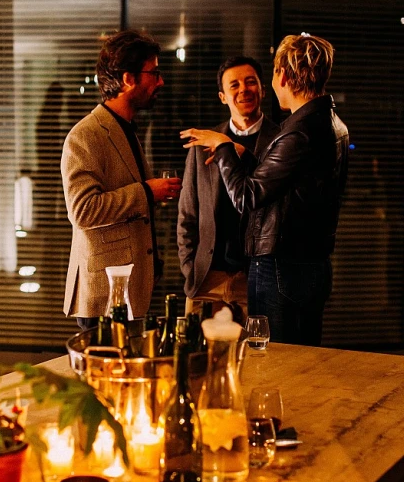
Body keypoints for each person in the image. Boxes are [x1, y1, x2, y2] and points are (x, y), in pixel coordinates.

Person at [180, 34, 349, 346]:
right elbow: (295, 187)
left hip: (282, 268)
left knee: (278, 365)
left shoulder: (297, 132)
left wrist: (225, 148)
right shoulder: (331, 123)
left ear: (282, 76)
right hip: (307, 265)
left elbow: (247, 198)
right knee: (300, 360)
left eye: (268, 74)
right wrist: (251, 157)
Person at [61, 29, 182, 330]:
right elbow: (83, 210)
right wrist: (146, 192)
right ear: (129, 79)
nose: (161, 81)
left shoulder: (125, 127)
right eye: (153, 73)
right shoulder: (86, 134)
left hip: (127, 289)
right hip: (103, 294)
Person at [177, 57, 279, 324]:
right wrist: (190, 268)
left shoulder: (280, 141)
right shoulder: (203, 143)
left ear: (263, 89)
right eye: (234, 85)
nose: (243, 89)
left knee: (256, 362)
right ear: (223, 96)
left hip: (254, 277)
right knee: (197, 361)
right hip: (206, 278)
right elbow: (188, 214)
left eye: (250, 82)